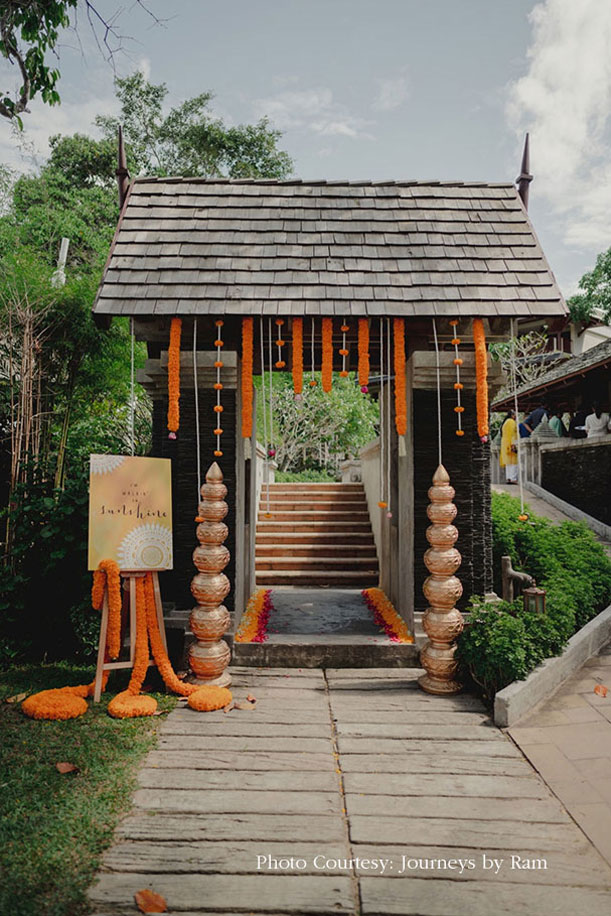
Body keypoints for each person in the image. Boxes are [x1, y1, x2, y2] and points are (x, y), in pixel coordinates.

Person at [499, 410, 519, 484]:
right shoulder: (511, 422)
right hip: (510, 443)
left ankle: (509, 478)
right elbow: (512, 434)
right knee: (513, 462)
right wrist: (513, 444)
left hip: (505, 443)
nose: (516, 416)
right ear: (512, 415)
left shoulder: (505, 422)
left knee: (508, 462)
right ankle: (513, 478)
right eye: (515, 415)